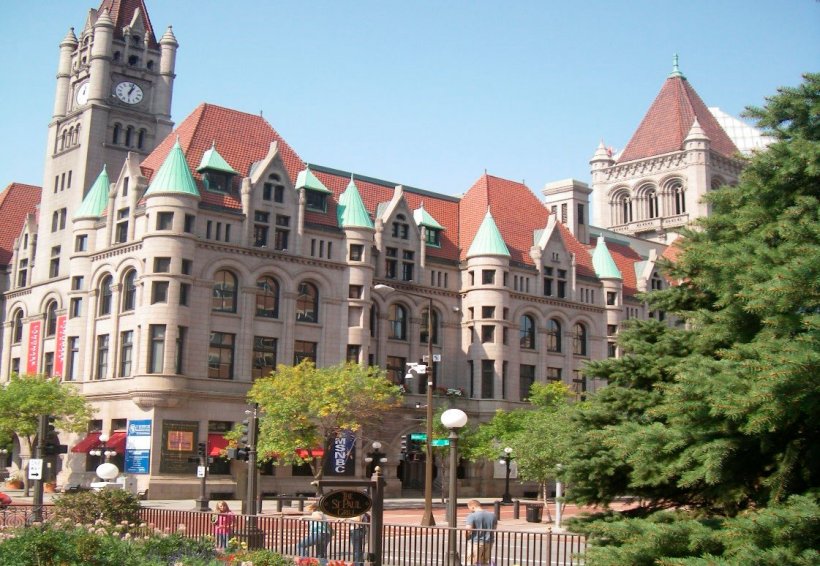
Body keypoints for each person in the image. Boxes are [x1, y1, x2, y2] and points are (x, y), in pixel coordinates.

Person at [465, 499, 497, 566]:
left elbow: (468, 529)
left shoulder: (472, 516)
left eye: (470, 508)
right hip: (489, 541)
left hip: (476, 542)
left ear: (473, 507)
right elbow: (494, 528)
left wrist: (467, 537)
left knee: (472, 562)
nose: (470, 510)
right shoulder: (492, 515)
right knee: (485, 562)